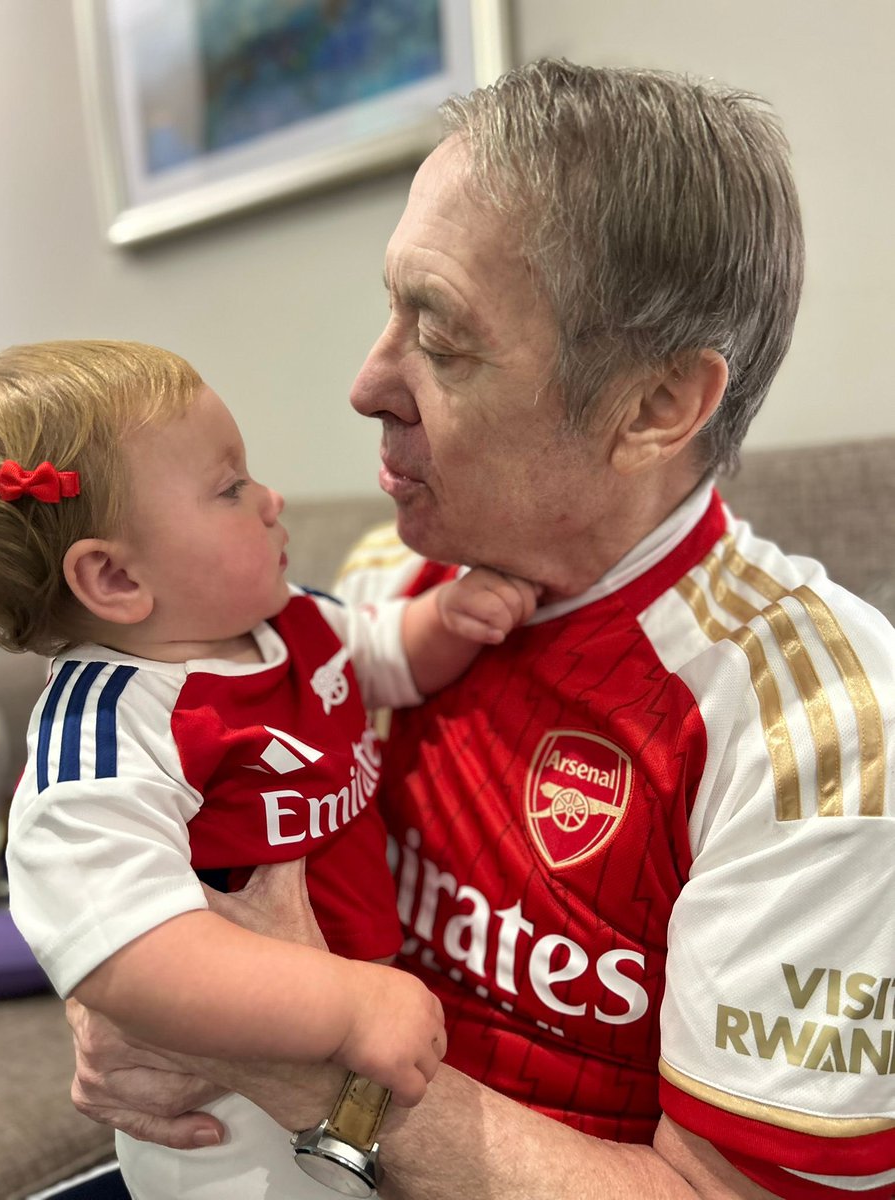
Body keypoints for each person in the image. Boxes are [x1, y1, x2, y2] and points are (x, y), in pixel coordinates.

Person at [66, 60, 895, 1200]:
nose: (366, 383)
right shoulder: (380, 582)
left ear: (656, 407)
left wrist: (302, 1065)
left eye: (442, 338)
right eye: (391, 307)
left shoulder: (819, 730)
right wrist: (135, 989)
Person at [0, 339, 538, 1199]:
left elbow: (385, 655)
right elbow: (131, 954)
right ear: (112, 576)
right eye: (230, 487)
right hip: (229, 1125)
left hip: (373, 1033)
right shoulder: (105, 730)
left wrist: (447, 616)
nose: (271, 497)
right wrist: (348, 1005)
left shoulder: (288, 619)